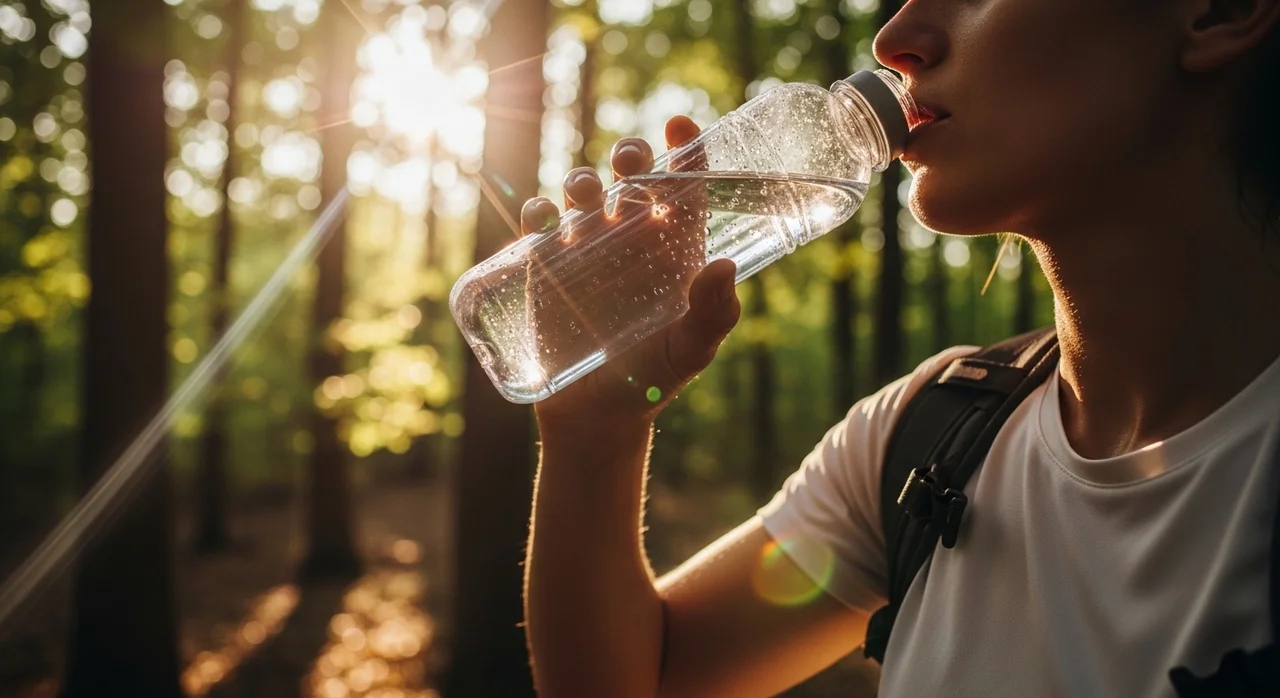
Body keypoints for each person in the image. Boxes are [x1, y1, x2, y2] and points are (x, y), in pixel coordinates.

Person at [517, 0, 1280, 694]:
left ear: (1220, 10)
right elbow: (640, 681)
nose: (895, 39)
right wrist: (597, 434)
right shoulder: (930, 440)